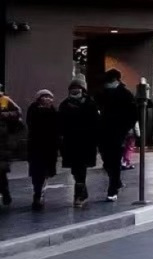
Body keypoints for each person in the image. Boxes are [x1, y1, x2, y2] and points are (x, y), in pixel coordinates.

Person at [97, 68, 137, 202]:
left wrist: (126, 128)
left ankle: (113, 188)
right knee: (107, 160)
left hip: (117, 132)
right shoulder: (102, 93)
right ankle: (116, 181)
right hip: (104, 131)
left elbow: (132, 113)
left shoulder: (125, 94)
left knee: (114, 160)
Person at [58, 78, 98, 208]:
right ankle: (82, 193)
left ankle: (79, 195)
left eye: (78, 88)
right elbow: (60, 124)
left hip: (86, 142)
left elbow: (96, 123)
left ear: (83, 90)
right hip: (70, 142)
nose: (75, 91)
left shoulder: (90, 104)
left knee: (81, 169)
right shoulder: (64, 105)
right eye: (73, 88)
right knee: (75, 170)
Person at [25, 89, 61, 210]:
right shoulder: (33, 110)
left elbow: (57, 128)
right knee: (37, 172)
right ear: (39, 99)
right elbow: (31, 124)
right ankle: (38, 194)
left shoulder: (54, 111)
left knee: (45, 172)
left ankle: (40, 193)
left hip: (50, 148)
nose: (48, 99)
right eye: (44, 96)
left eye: (50, 97)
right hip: (36, 146)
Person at [0, 84, 24, 206]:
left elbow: (17, 112)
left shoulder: (3, 100)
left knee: (0, 171)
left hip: (2, 142)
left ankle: (5, 192)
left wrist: (5, 115)